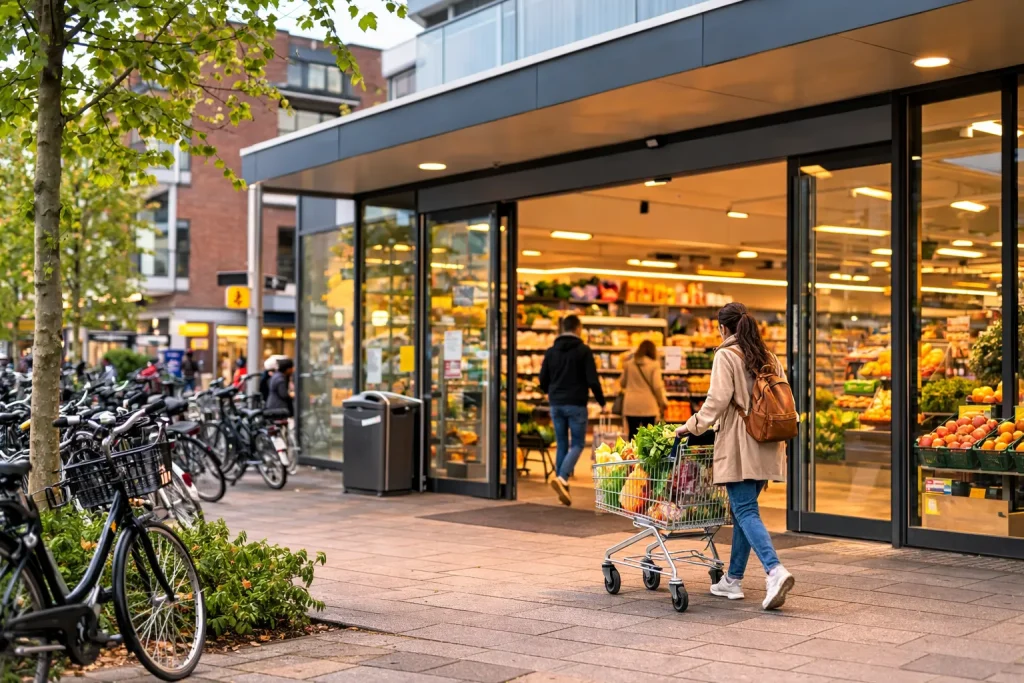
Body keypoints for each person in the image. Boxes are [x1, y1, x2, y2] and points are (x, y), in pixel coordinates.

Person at [675, 302, 794, 611]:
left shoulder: (726, 355)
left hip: (742, 443)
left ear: (724, 329)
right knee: (745, 510)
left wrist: (689, 428)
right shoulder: (769, 357)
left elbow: (715, 402)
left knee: (744, 510)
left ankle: (774, 570)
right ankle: (732, 580)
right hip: (768, 441)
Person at [539, 314, 605, 506]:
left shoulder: (551, 351)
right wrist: (602, 402)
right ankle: (562, 477)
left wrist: (549, 391)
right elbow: (592, 379)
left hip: (556, 403)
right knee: (577, 444)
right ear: (578, 329)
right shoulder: (583, 351)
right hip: (576, 403)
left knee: (561, 443)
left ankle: (563, 488)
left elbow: (543, 379)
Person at [620, 339, 668, 439]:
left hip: (631, 405)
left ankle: (633, 454)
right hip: (648, 406)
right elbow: (657, 386)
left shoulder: (628, 364)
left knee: (633, 435)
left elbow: (622, 383)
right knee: (648, 437)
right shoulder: (654, 365)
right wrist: (662, 402)